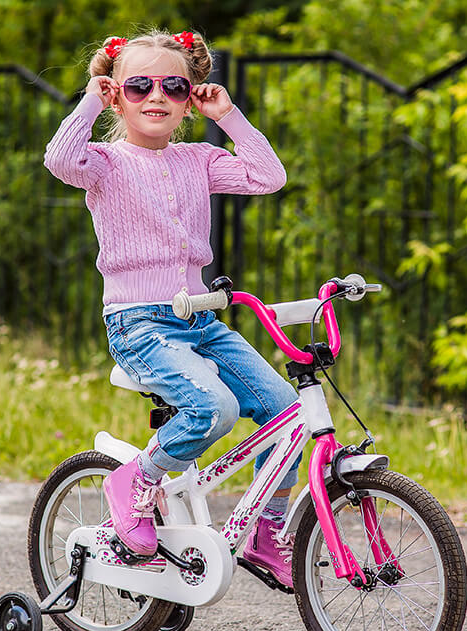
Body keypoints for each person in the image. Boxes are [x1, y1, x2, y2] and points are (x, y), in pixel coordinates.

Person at [43, 30, 299, 587]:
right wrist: (91, 96)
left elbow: (269, 176)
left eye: (173, 85)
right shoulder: (104, 164)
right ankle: (134, 480)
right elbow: (59, 157)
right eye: (138, 85)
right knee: (215, 409)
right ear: (118, 96)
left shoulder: (201, 159)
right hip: (138, 323)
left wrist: (229, 118)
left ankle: (264, 528)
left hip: (201, 319)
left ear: (189, 98)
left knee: (287, 414)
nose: (155, 96)